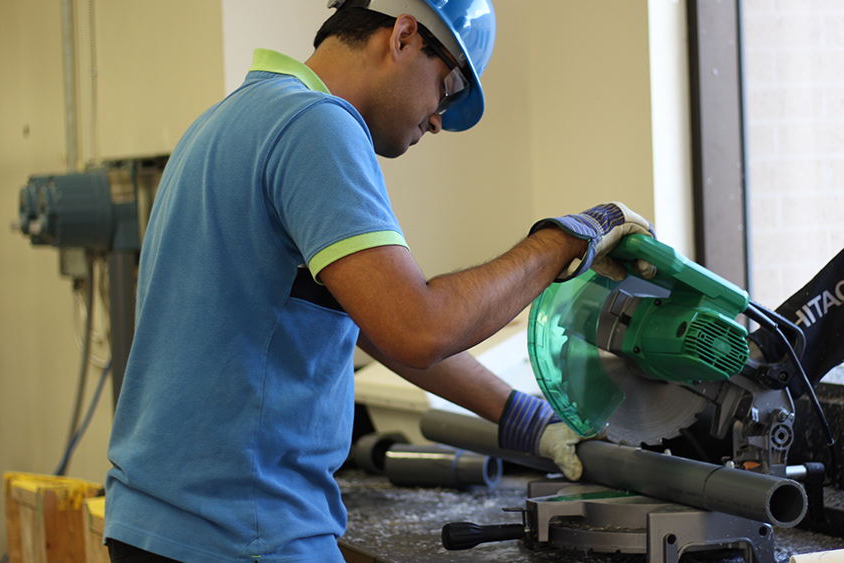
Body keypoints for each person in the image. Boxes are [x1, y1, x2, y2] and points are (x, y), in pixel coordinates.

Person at [102, 1, 655, 563]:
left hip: (154, 525)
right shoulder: (315, 125)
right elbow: (419, 325)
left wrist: (526, 420)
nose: (440, 119)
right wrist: (566, 239)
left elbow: (375, 321)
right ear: (405, 35)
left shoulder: (225, 122)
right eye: (449, 87)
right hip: (245, 532)